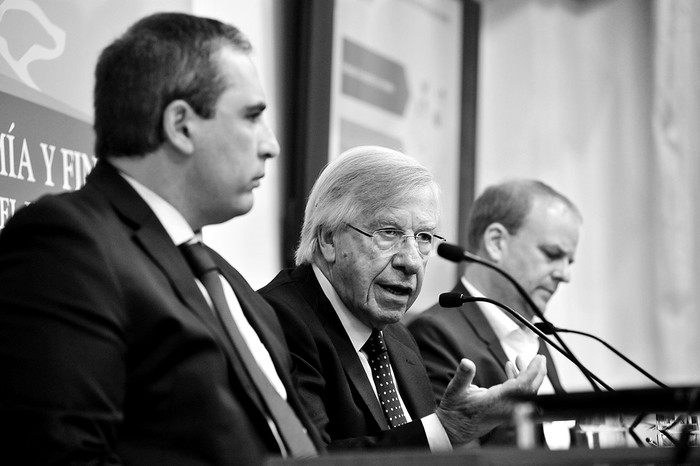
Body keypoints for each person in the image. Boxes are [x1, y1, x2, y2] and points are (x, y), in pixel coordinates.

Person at [0, 12, 322, 465]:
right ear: (181, 126)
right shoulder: (68, 245)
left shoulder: (224, 279)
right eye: (251, 117)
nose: (271, 145)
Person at [258, 146, 547, 452]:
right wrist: (445, 430)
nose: (411, 261)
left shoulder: (397, 337)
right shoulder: (279, 319)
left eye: (423, 237)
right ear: (329, 238)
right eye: (388, 232)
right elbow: (312, 459)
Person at [408, 179, 583, 446]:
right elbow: (457, 453)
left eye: (569, 261)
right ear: (496, 242)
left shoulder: (536, 335)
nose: (565, 275)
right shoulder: (436, 334)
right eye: (552, 254)